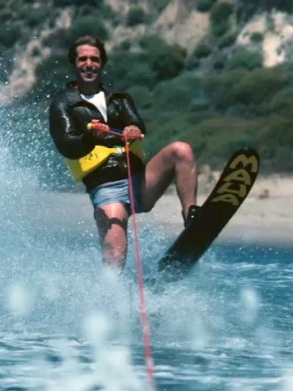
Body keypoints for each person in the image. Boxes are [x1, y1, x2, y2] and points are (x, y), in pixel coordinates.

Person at [48, 35, 199, 269]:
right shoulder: (63, 104)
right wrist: (90, 136)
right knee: (115, 255)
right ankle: (111, 299)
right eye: (83, 59)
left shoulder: (119, 99)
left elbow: (136, 122)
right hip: (106, 188)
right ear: (75, 64)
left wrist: (133, 128)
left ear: (102, 63)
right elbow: (66, 144)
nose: (89, 64)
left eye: (94, 59)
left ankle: (192, 219)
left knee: (181, 150)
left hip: (139, 182)